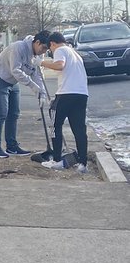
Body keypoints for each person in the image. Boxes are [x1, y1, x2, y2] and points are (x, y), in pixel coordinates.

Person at [0, 32, 48, 158]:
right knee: (2, 112)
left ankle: (12, 146)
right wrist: (32, 86)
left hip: (13, 82)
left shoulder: (38, 55)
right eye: (43, 48)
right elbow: (16, 70)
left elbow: (37, 75)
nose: (44, 51)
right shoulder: (18, 47)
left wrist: (42, 93)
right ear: (37, 42)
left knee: (14, 113)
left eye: (46, 49)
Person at [37, 30, 89, 173]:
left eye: (50, 48)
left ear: (52, 43)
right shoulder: (75, 54)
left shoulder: (60, 50)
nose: (51, 51)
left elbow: (60, 65)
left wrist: (41, 62)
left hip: (66, 93)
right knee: (79, 129)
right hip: (81, 94)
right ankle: (83, 163)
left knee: (55, 125)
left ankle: (56, 160)